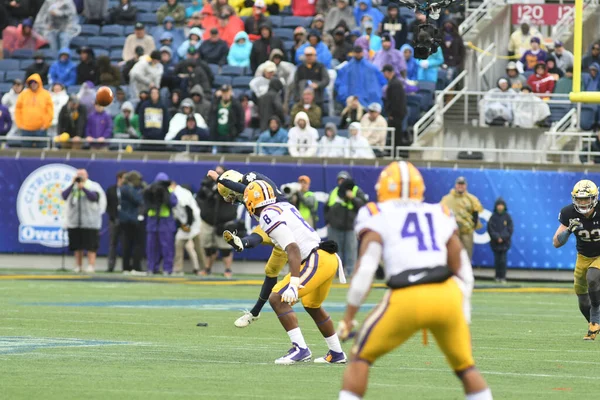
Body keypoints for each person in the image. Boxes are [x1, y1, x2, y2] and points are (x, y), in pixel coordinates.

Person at [336, 161, 492, 400]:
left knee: (359, 358)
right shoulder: (439, 211)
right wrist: (463, 308)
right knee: (466, 367)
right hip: (447, 295)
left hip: (407, 296)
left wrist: (348, 318)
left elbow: (366, 269)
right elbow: (461, 266)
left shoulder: (375, 213)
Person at [228, 179, 347, 364]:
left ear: (251, 202)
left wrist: (293, 283)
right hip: (327, 258)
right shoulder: (283, 205)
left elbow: (292, 247)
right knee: (312, 306)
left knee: (277, 298)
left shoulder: (268, 215)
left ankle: (300, 349)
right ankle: (337, 353)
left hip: (314, 260)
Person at [553, 180, 600, 340]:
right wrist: (568, 231)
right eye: (579, 199)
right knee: (582, 298)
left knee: (592, 277)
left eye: (586, 199)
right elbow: (556, 243)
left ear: (594, 198)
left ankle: (596, 318)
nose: (583, 203)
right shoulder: (569, 213)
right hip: (583, 256)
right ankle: (593, 326)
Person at [61, 169, 107, 274]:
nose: (80, 177)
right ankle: (78, 266)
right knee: (77, 246)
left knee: (91, 245)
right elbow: (64, 196)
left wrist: (84, 188)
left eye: (82, 175)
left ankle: (91, 265)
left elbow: (94, 197)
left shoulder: (93, 186)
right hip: (75, 221)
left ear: (87, 175)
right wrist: (73, 184)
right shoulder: (72, 186)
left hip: (90, 221)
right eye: (78, 175)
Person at [196, 166, 238, 277]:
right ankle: (207, 268)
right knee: (208, 247)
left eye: (220, 172)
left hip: (224, 221)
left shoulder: (229, 186)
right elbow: (200, 197)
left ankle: (228, 270)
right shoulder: (207, 185)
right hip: (208, 220)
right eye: (216, 172)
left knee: (225, 248)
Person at [325, 171, 367, 276]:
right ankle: (335, 274)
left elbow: (363, 206)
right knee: (335, 252)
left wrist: (352, 198)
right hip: (335, 227)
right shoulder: (334, 192)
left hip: (350, 227)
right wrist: (328, 221)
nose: (341, 182)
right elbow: (326, 207)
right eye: (339, 180)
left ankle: (351, 274)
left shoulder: (356, 190)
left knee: (351, 252)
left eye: (343, 180)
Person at [441, 177, 483, 260]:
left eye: (462, 184)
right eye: (459, 184)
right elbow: (441, 213)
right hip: (452, 233)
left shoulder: (471, 199)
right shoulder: (446, 199)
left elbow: (476, 213)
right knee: (451, 255)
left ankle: (465, 272)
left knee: (466, 255)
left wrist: (471, 226)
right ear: (455, 185)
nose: (460, 186)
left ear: (465, 186)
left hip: (466, 232)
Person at [143, 172, 178, 275]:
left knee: (167, 247)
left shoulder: (170, 192)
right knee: (152, 247)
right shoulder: (150, 190)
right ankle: (151, 268)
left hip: (165, 222)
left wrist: (166, 195)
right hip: (153, 221)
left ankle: (167, 269)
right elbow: (145, 201)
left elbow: (174, 203)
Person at [172, 181, 206, 275]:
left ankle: (204, 268)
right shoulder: (171, 195)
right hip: (184, 224)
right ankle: (177, 269)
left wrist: (188, 225)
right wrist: (181, 225)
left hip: (194, 223)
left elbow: (189, 210)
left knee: (198, 247)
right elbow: (176, 214)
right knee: (178, 244)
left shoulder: (181, 193)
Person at [15, 74, 53, 147]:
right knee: (26, 153)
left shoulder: (46, 94)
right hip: (26, 129)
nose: (33, 84)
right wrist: (20, 124)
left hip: (41, 129)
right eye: (31, 82)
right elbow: (18, 110)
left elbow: (50, 111)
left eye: (35, 82)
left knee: (41, 153)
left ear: (39, 82)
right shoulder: (23, 94)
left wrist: (45, 125)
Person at [119, 170, 145, 274]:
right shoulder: (127, 188)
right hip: (131, 220)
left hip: (127, 219)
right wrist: (143, 191)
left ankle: (127, 267)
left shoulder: (125, 188)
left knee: (128, 244)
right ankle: (134, 267)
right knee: (135, 244)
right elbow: (138, 200)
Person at [208, 85, 244, 149]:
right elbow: (210, 116)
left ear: (230, 92)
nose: (225, 94)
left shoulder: (236, 104)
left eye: (227, 92)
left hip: (231, 136)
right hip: (217, 135)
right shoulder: (216, 103)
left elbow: (240, 119)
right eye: (223, 92)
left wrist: (235, 132)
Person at [487, 198, 513, 284]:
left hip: (505, 243)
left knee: (503, 260)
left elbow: (509, 229)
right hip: (495, 243)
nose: (500, 207)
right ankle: (497, 276)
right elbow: (490, 229)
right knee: (497, 260)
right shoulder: (493, 217)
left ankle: (503, 277)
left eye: (502, 205)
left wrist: (502, 237)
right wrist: (497, 237)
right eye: (499, 205)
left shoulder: (507, 217)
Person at [382, 64, 408, 148]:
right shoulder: (393, 83)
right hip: (396, 114)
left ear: (389, 73)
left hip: (396, 115)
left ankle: (395, 153)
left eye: (385, 72)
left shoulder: (395, 84)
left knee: (396, 135)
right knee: (394, 135)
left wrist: (392, 114)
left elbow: (395, 101)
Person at [106, 171, 127, 272]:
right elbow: (108, 205)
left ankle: (125, 267)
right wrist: (113, 217)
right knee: (112, 244)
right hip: (113, 220)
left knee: (125, 244)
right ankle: (110, 266)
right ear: (119, 178)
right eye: (124, 178)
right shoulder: (111, 190)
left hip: (125, 221)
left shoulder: (128, 190)